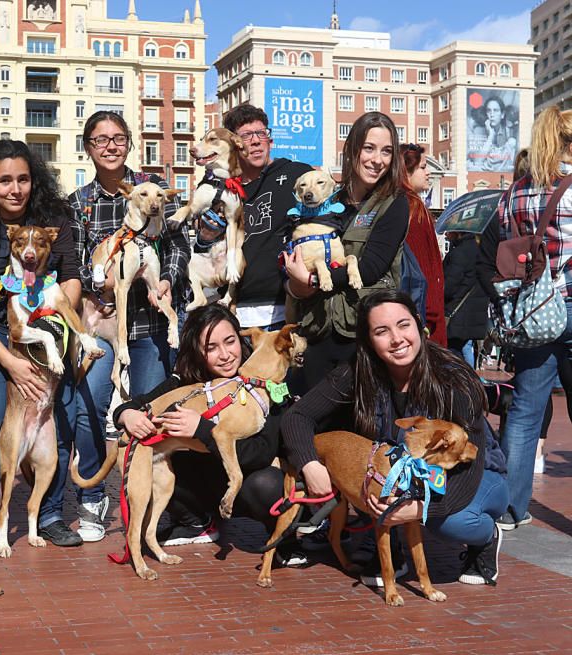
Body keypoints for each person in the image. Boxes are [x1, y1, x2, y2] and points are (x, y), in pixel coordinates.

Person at [283, 290, 508, 587]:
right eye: (381, 331)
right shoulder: (357, 372)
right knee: (368, 478)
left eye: (404, 325)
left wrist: (421, 509)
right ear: (368, 340)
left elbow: (470, 471)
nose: (396, 339)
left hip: (475, 474)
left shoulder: (453, 377)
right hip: (407, 478)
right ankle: (394, 550)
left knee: (449, 522)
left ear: (418, 326)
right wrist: (310, 464)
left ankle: (485, 537)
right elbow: (296, 416)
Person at [67, 111, 190, 542]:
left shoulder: (152, 190)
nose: (110, 146)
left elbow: (178, 244)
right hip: (104, 327)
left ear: (130, 143)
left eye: (118, 138)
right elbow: (74, 259)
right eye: (101, 140)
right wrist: (94, 281)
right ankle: (93, 495)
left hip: (151, 325)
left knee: (152, 412)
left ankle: (148, 500)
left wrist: (170, 281)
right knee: (90, 406)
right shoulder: (79, 202)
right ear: (89, 147)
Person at [0, 139, 82, 554]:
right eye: (5, 180)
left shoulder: (54, 220)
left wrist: (58, 323)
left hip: (48, 328)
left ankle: (48, 515)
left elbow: (71, 279)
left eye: (23, 179)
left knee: (56, 422)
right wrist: (10, 361)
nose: (15, 189)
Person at [111, 304, 306, 565]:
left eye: (230, 342)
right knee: (167, 464)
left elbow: (261, 453)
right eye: (211, 348)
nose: (224, 355)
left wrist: (202, 431)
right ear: (198, 352)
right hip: (205, 483)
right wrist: (127, 415)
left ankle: (283, 538)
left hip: (243, 485)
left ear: (242, 340)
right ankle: (195, 521)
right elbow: (138, 404)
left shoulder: (265, 384)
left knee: (267, 482)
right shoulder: (187, 382)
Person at [476, 105, 572, 531]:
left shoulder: (514, 192)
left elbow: (505, 248)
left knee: (526, 412)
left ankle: (512, 510)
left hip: (533, 313)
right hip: (569, 302)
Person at [285, 112, 410, 389]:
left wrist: (311, 280)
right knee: (313, 425)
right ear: (352, 150)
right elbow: (294, 254)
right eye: (369, 148)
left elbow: (370, 269)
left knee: (360, 427)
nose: (377, 159)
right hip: (317, 328)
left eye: (387, 151)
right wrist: (293, 284)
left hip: (362, 334)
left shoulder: (394, 203)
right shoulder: (326, 201)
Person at [194, 104, 312, 330]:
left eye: (261, 133)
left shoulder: (296, 174)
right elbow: (201, 249)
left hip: (285, 309)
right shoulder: (215, 188)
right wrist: (206, 235)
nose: (256, 141)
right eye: (246, 135)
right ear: (233, 145)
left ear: (270, 140)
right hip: (232, 312)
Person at [401, 143, 446, 345]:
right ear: (406, 172)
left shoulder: (396, 202)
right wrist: (432, 312)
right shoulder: (414, 208)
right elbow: (425, 267)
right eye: (423, 167)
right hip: (423, 315)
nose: (428, 172)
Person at [442, 232, 488, 367]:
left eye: (450, 230)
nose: (446, 233)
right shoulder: (480, 251)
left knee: (452, 355)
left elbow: (449, 287)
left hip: (457, 312)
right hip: (472, 311)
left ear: (459, 232)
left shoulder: (460, 253)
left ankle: (459, 385)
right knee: (463, 350)